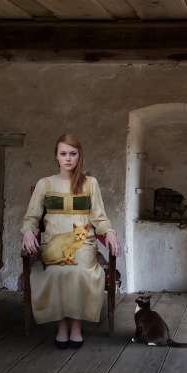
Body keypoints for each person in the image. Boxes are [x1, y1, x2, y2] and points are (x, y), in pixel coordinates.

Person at [21, 133, 122, 349]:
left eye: (73, 154)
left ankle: (76, 325)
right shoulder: (45, 184)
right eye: (63, 153)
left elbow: (99, 218)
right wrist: (28, 232)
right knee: (57, 271)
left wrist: (110, 232)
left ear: (79, 156)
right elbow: (31, 218)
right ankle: (61, 326)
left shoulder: (90, 183)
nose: (68, 158)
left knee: (78, 270)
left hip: (83, 245)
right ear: (56, 156)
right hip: (54, 244)